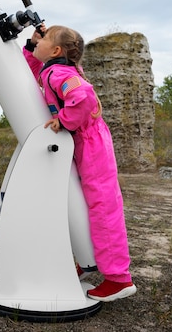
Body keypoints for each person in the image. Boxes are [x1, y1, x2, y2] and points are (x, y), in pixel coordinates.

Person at [23, 24, 136, 302]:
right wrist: (31, 46)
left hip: (91, 143)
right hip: (84, 142)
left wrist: (64, 120)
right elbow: (37, 72)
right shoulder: (55, 70)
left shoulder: (60, 73)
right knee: (78, 202)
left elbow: (82, 97)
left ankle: (118, 278)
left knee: (103, 206)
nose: (39, 41)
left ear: (57, 51)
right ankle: (88, 260)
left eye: (45, 39)